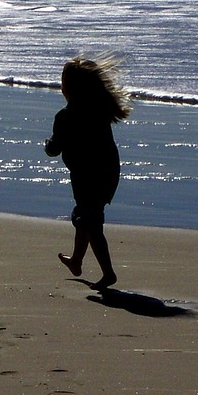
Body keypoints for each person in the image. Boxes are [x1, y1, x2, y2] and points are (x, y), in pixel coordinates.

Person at [43, 55, 132, 289]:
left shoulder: (65, 117)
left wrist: (48, 145)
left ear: (69, 88)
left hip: (85, 176)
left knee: (90, 223)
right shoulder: (99, 112)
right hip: (108, 173)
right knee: (87, 217)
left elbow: (55, 147)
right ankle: (76, 260)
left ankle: (108, 273)